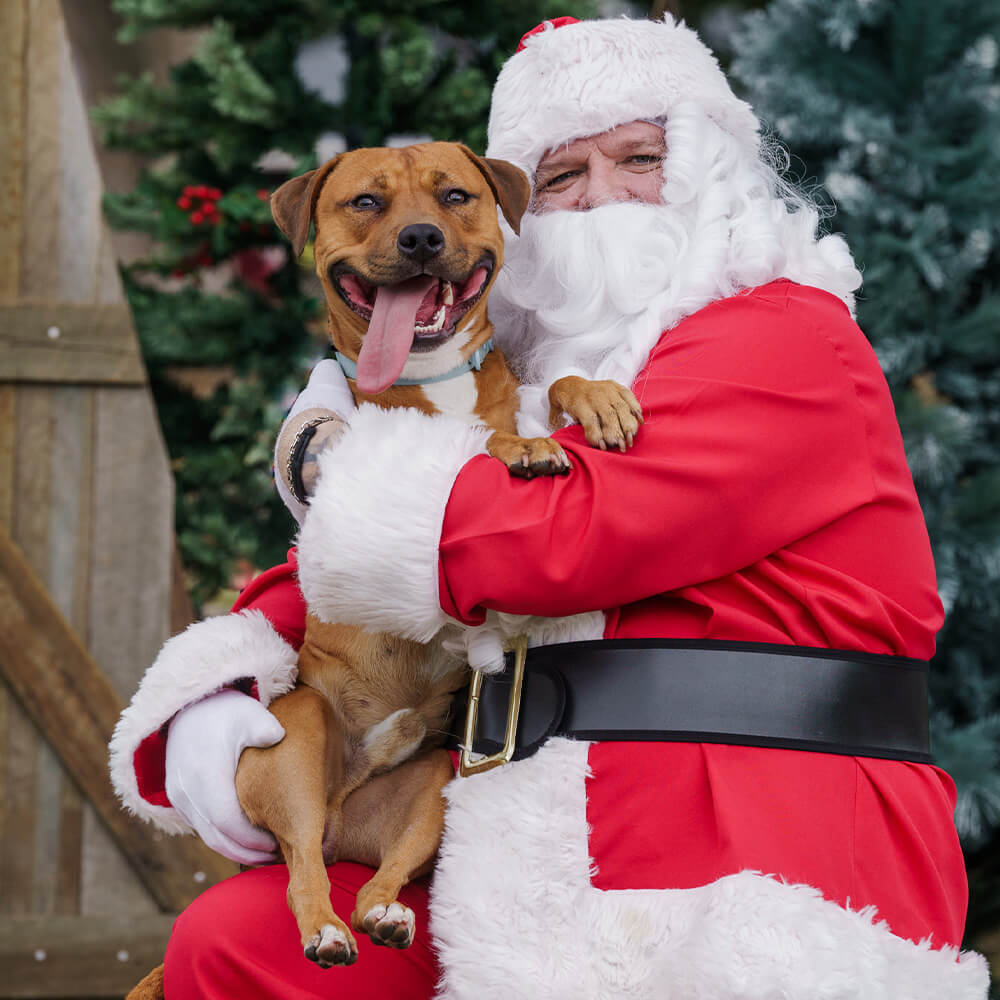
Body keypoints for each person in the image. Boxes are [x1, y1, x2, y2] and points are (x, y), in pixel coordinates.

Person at [109, 15, 990, 1000]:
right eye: (563, 175)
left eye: (640, 158)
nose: (601, 195)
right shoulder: (528, 377)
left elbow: (560, 536)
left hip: (746, 833)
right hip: (523, 837)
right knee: (236, 944)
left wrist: (331, 462)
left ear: (714, 170)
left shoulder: (783, 332)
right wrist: (229, 683)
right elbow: (357, 570)